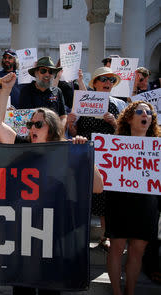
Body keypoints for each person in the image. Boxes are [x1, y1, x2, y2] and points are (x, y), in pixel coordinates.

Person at [0, 72, 104, 295]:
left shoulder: (69, 151)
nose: (32, 128)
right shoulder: (24, 146)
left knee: (49, 290)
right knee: (22, 288)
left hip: (55, 234)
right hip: (24, 233)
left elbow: (98, 187)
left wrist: (85, 156)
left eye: (38, 124)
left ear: (51, 127)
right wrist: (5, 90)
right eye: (30, 124)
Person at [105, 101, 160, 295]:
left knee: (138, 251)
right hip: (119, 201)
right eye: (139, 111)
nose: (145, 114)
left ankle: (130, 292)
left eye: (149, 112)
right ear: (129, 118)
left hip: (147, 203)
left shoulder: (158, 147)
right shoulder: (113, 144)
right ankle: (116, 292)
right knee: (117, 247)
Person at [67, 66, 122, 251]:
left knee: (106, 196)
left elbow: (123, 135)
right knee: (82, 193)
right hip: (85, 154)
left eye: (111, 80)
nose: (108, 83)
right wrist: (70, 124)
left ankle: (105, 236)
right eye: (104, 79)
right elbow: (74, 132)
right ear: (96, 84)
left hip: (108, 157)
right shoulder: (81, 103)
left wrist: (114, 122)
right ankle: (79, 236)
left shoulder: (117, 105)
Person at [17, 56, 67, 129]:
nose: (47, 74)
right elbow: (23, 116)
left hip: (52, 136)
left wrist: (58, 132)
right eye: (43, 71)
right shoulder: (26, 91)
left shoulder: (57, 91)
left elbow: (63, 116)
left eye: (50, 72)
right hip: (33, 134)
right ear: (36, 73)